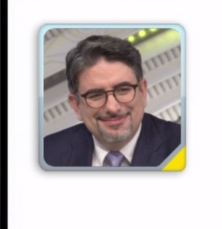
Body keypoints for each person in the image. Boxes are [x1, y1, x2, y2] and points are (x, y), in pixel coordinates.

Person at [43, 34, 182, 168]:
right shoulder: (45, 155)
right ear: (76, 105)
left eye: (123, 90)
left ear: (143, 91)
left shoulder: (182, 146)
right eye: (96, 95)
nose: (112, 107)